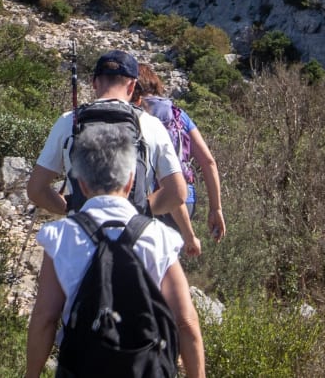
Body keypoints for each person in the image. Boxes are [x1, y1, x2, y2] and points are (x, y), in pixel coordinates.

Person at [25, 120, 206, 378]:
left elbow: (45, 318)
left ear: (82, 185)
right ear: (131, 180)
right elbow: (186, 323)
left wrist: (31, 374)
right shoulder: (160, 237)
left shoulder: (61, 237)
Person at [26, 50, 189, 227]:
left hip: (81, 234)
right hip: (134, 236)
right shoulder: (151, 125)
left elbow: (36, 190)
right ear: (132, 86)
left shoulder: (68, 121)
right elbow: (178, 193)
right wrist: (142, 209)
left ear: (94, 83)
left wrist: (72, 208)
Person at [135, 62, 226, 243]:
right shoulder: (177, 114)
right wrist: (216, 208)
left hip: (148, 199)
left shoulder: (131, 114)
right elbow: (208, 162)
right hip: (185, 197)